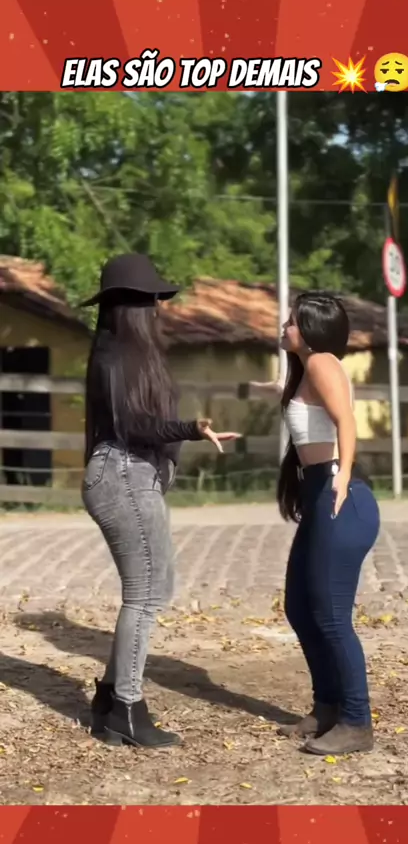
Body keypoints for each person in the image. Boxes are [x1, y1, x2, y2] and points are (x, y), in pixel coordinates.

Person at [80, 253, 240, 749]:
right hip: (123, 474)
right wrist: (189, 429)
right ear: (135, 307)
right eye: (153, 300)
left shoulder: (129, 355)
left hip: (129, 474)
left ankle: (110, 699)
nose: (159, 308)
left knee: (155, 586)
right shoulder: (114, 359)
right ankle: (127, 710)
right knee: (146, 594)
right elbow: (134, 426)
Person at [251, 291, 380, 755]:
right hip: (319, 494)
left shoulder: (323, 362)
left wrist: (341, 476)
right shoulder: (308, 369)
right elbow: (311, 414)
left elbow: (346, 421)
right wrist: (272, 388)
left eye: (291, 321)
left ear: (310, 329)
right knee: (300, 608)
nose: (284, 327)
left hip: (340, 496)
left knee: (330, 616)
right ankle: (327, 706)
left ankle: (356, 722)